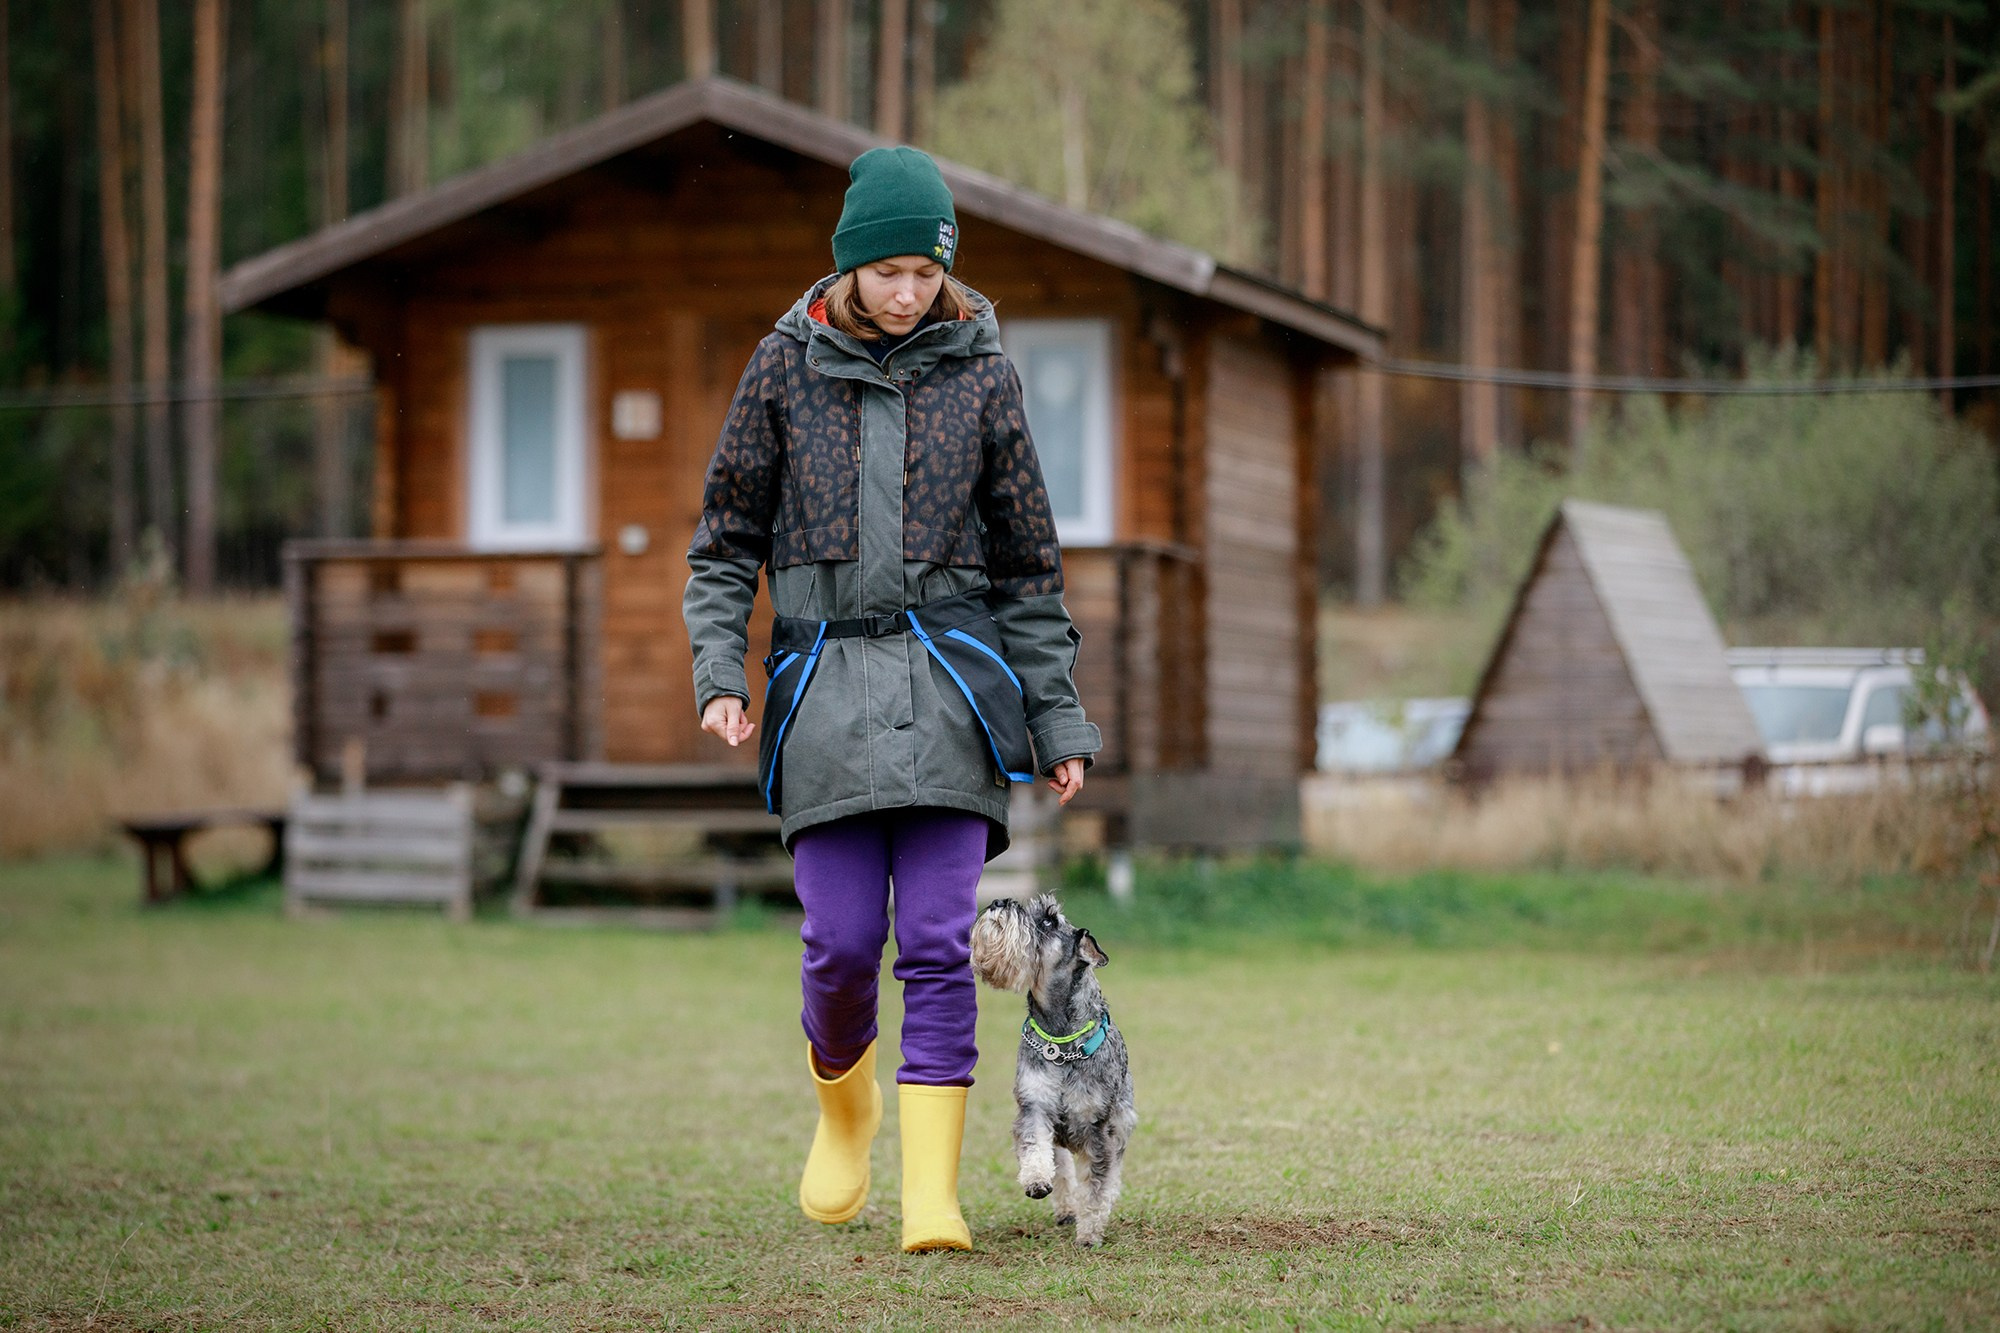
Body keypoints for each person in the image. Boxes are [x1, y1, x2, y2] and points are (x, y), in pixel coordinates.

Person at [682, 145, 1102, 1253]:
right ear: (848, 267)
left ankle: (930, 1194)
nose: (908, 293)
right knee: (837, 942)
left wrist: (1056, 718)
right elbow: (724, 542)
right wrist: (719, 671)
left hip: (952, 696)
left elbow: (1028, 567)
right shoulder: (782, 367)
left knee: (933, 941)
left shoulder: (985, 375)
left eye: (926, 272)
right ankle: (845, 1109)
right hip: (819, 696)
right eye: (887, 273)